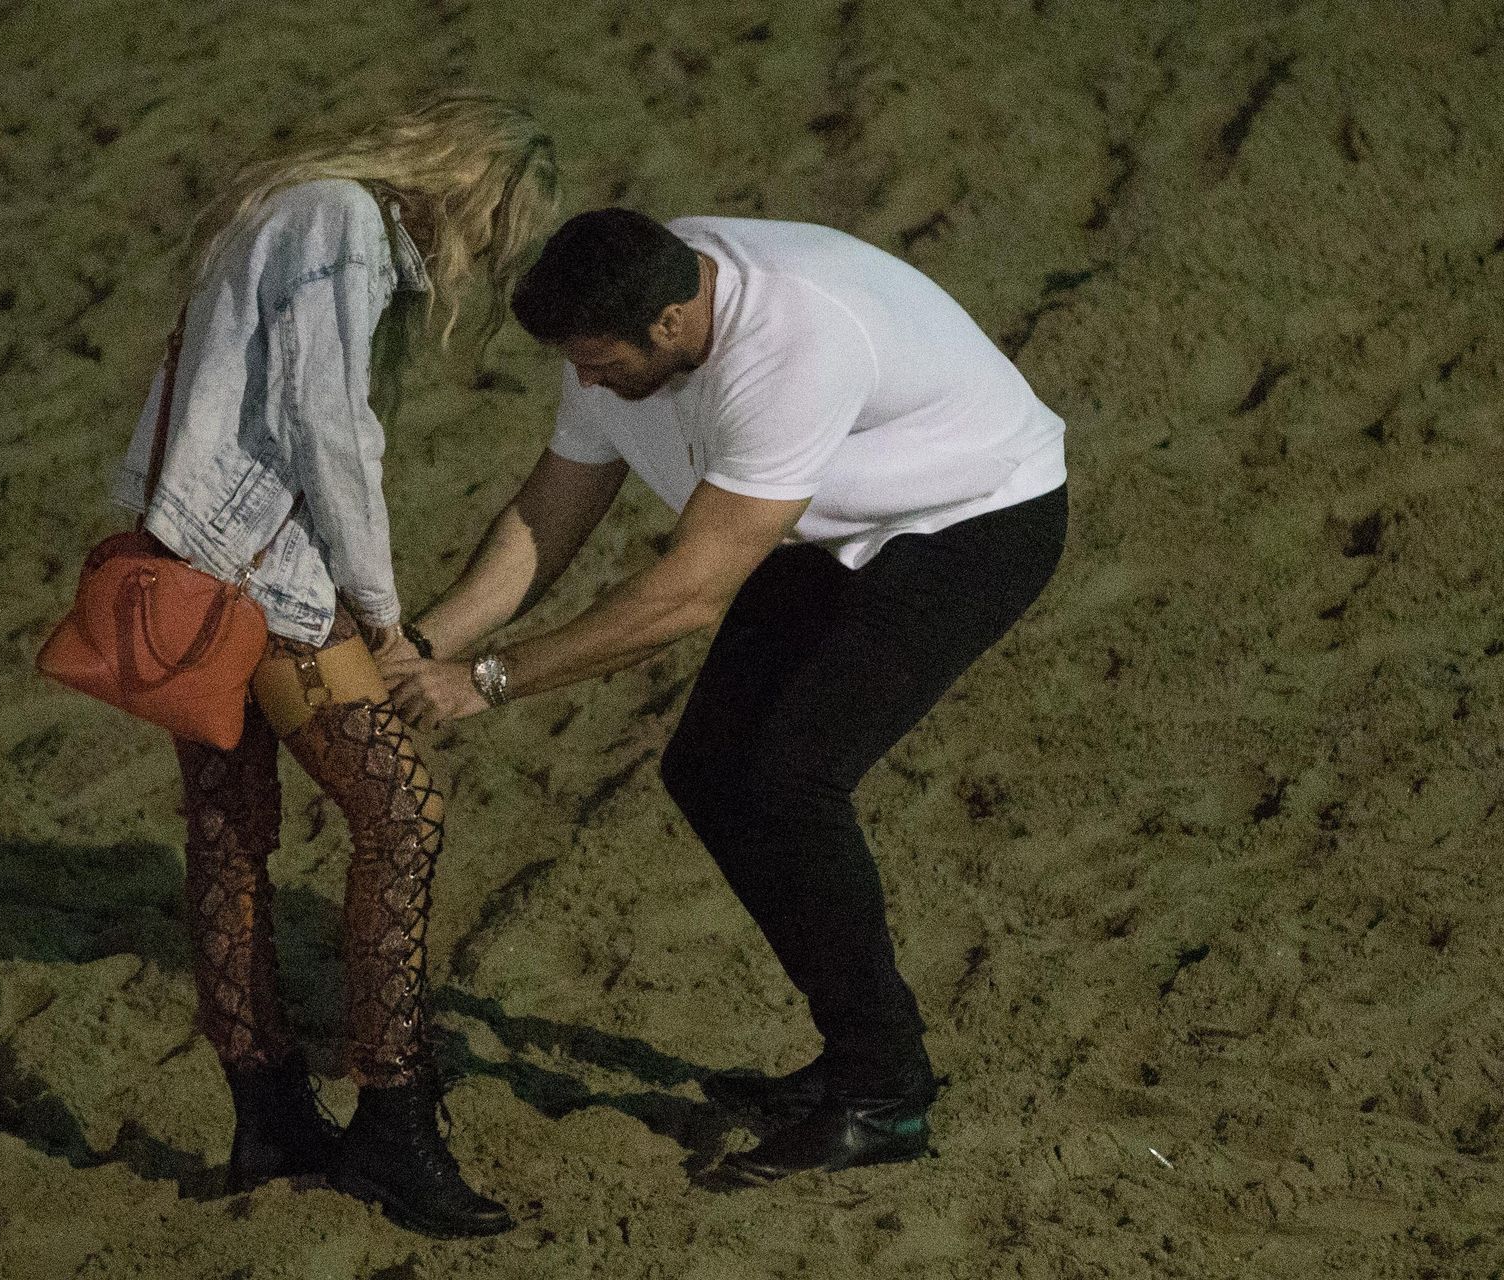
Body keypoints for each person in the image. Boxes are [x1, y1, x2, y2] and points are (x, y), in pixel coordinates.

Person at [385, 207, 1067, 1183]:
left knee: (790, 781)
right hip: (824, 516)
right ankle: (862, 1054)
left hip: (972, 520)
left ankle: (884, 1095)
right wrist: (424, 644)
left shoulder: (787, 345)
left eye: (595, 360)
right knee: (709, 769)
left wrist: (488, 680)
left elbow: (687, 595)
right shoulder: (628, 298)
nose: (582, 380)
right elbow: (550, 509)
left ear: (668, 326)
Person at [108, 93, 557, 1236]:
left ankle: (269, 1112)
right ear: (473, 191)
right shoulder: (341, 226)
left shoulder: (296, 213)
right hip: (261, 576)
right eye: (499, 225)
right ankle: (393, 1122)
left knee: (229, 832)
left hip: (191, 563)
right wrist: (380, 608)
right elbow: (328, 428)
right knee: (400, 815)